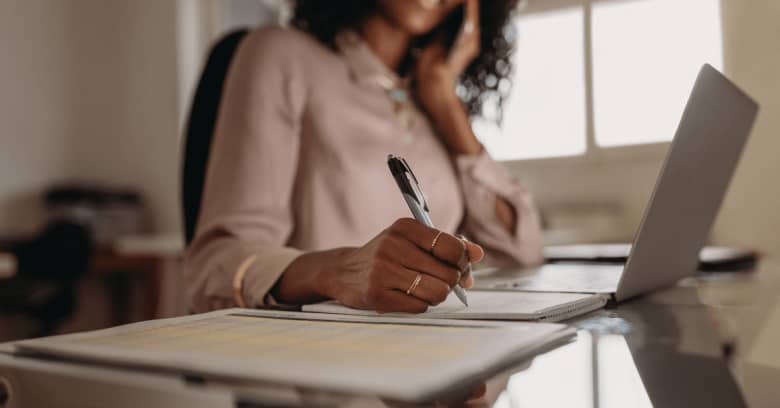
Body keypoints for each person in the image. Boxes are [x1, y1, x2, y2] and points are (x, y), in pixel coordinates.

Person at [184, 0, 543, 313]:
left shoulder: (432, 102)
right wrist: (337, 272)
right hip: (319, 369)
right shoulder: (279, 56)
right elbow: (212, 268)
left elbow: (523, 254)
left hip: (431, 357)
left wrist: (446, 102)